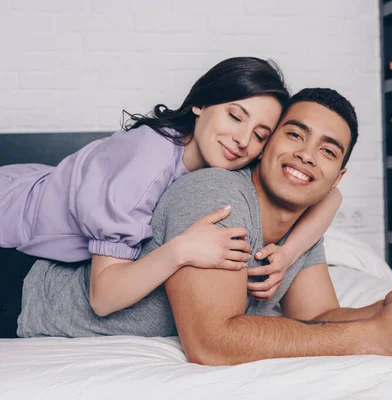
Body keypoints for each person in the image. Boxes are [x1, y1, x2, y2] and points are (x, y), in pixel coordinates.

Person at [17, 88, 392, 364]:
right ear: (265, 146)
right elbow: (212, 343)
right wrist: (372, 338)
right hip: (20, 288)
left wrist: (388, 311)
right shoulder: (215, 194)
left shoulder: (301, 226)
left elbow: (317, 316)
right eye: (295, 135)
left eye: (328, 150)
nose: (305, 155)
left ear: (336, 177)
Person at [0, 58, 342, 338]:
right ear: (201, 104)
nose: (241, 139)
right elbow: (102, 298)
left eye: (259, 134)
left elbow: (331, 197)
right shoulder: (146, 162)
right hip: (10, 235)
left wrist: (288, 252)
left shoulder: (220, 161)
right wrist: (181, 249)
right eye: (235, 115)